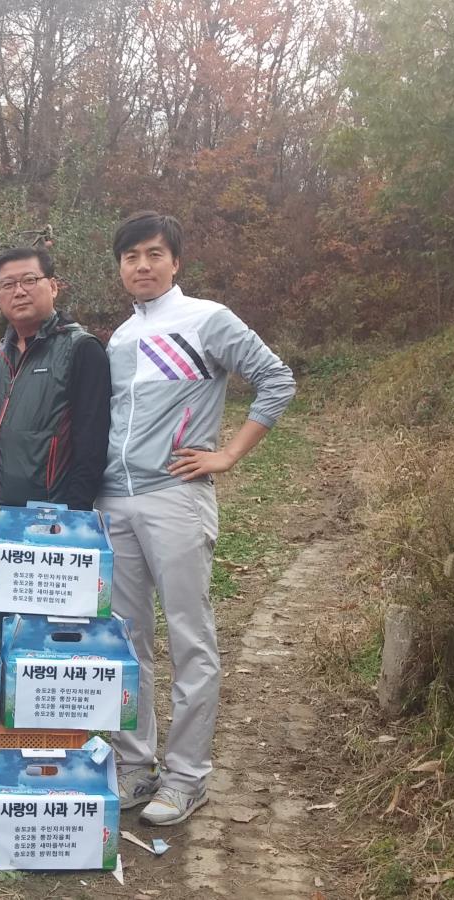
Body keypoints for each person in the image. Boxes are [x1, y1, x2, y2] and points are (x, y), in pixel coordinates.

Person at [99, 211, 295, 826]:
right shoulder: (118, 338)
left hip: (177, 497)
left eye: (154, 254)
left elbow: (276, 380)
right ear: (120, 268)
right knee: (126, 643)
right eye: (131, 257)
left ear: (175, 261)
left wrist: (230, 452)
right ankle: (134, 768)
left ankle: (186, 778)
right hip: (115, 500)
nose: (143, 266)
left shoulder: (207, 319)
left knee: (189, 639)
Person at [0, 246, 111, 510]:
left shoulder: (81, 349)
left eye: (30, 280)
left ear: (54, 286)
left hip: (51, 518)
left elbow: (92, 444)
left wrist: (74, 512)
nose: (19, 291)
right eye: (8, 284)